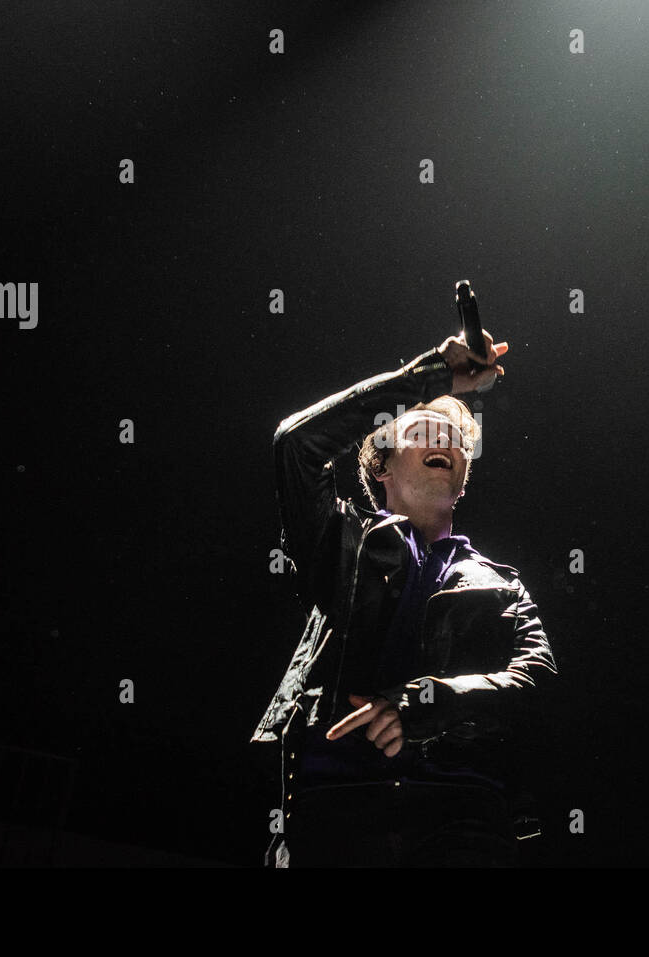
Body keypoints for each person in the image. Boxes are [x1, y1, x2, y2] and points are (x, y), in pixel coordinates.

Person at [250, 329, 558, 867]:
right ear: (381, 468)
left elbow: (538, 681)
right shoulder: (339, 542)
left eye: (456, 439)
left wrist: (426, 700)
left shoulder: (502, 583)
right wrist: (434, 376)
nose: (444, 438)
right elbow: (295, 446)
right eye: (422, 427)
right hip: (338, 810)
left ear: (463, 480)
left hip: (464, 817)